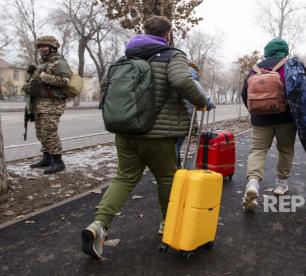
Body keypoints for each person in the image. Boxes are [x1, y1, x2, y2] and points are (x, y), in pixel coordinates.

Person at [81, 16, 211, 259]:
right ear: (168, 33)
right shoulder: (173, 55)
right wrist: (202, 101)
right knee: (166, 179)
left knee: (124, 178)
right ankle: (168, 224)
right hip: (159, 135)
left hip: (126, 132)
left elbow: (106, 87)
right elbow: (182, 80)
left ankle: (99, 225)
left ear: (144, 32)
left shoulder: (126, 58)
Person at [241, 38, 306, 211]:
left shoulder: (255, 69)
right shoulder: (292, 65)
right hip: (286, 118)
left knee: (258, 150)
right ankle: (281, 184)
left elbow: (244, 94)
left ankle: (253, 182)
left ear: (267, 51)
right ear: (285, 51)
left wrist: (256, 110)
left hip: (260, 119)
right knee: (286, 150)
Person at [25, 36, 71, 174]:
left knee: (49, 133)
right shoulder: (42, 63)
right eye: (39, 47)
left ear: (52, 47)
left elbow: (65, 81)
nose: (41, 49)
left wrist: (43, 76)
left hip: (52, 104)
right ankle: (47, 158)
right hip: (39, 103)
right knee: (41, 133)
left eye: (44, 46)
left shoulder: (59, 62)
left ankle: (58, 162)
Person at [175, 62, 215, 168]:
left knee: (171, 146)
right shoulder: (192, 80)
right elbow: (205, 100)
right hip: (182, 120)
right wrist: (212, 105)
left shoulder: (173, 76)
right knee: (176, 146)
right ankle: (173, 174)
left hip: (165, 118)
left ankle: (175, 170)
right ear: (195, 71)